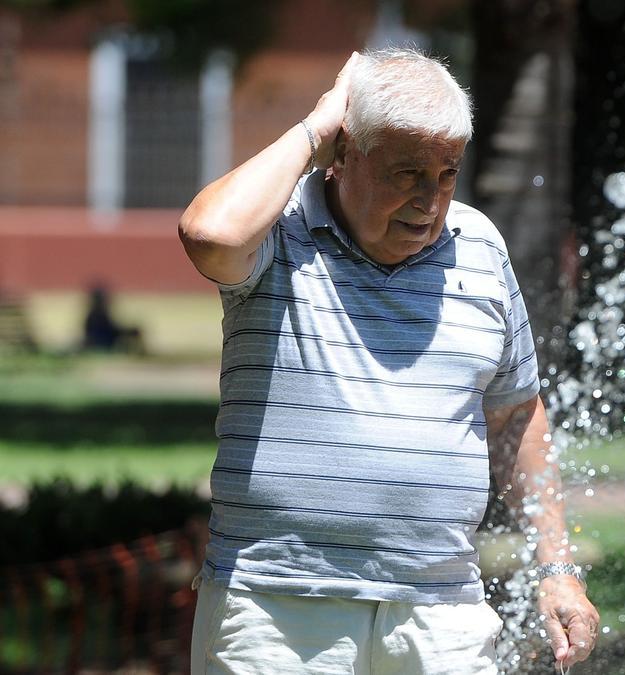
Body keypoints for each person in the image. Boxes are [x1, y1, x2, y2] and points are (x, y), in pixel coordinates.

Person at [179, 48, 597, 673]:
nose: (430, 200)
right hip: (279, 607)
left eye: (447, 173)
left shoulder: (479, 246)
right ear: (343, 157)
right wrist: (317, 127)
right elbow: (212, 236)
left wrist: (557, 567)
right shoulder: (280, 230)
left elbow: (515, 412)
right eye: (405, 173)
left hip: (441, 611)